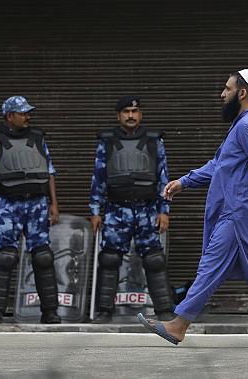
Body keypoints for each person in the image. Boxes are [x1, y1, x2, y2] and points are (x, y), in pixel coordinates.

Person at [137, 68, 248, 347]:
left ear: (242, 93)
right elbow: (219, 165)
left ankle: (178, 324)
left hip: (239, 215)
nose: (223, 94)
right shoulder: (240, 127)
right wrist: (185, 181)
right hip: (247, 213)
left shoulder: (247, 127)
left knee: (210, 267)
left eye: (227, 89)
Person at [0, 96, 61, 324]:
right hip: (8, 204)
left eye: (28, 112)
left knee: (43, 257)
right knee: (4, 257)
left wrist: (54, 203)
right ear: (10, 116)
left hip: (37, 204)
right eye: (23, 113)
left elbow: (48, 172)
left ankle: (50, 312)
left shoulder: (38, 138)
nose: (28, 116)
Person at [89, 95, 174, 323]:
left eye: (134, 112)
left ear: (140, 115)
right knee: (109, 259)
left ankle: (164, 310)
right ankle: (104, 311)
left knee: (154, 260)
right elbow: (98, 179)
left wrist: (164, 210)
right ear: (119, 116)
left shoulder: (154, 141)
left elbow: (163, 177)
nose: (130, 116)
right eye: (126, 112)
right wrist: (96, 211)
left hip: (147, 210)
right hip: (116, 210)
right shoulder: (106, 142)